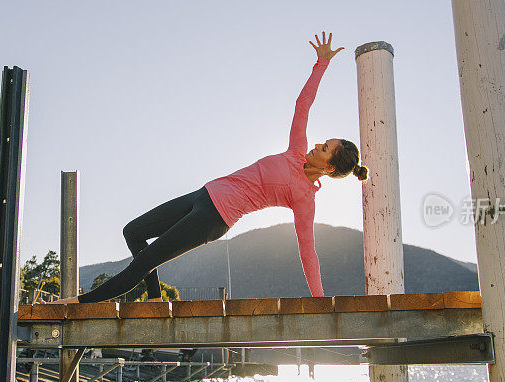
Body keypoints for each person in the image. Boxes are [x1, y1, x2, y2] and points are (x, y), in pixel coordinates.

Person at [59, 32, 368, 304]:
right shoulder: (296, 150)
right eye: (323, 142)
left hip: (214, 218)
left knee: (141, 264)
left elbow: (308, 251)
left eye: (325, 149)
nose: (318, 146)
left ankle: (75, 304)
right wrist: (321, 64)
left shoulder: (304, 198)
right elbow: (303, 104)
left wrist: (320, 299)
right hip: (203, 195)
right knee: (134, 232)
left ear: (329, 168)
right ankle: (153, 300)